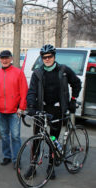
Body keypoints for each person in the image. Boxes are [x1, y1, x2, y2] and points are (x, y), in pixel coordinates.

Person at [25, 44, 82, 179]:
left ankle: (51, 166)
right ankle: (33, 167)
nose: (47, 59)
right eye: (44, 57)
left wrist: (73, 100)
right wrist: (31, 106)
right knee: (37, 140)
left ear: (54, 56)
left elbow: (77, 83)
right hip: (42, 110)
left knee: (52, 139)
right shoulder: (38, 73)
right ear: (42, 58)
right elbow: (32, 91)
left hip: (57, 110)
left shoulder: (64, 70)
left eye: (50, 56)